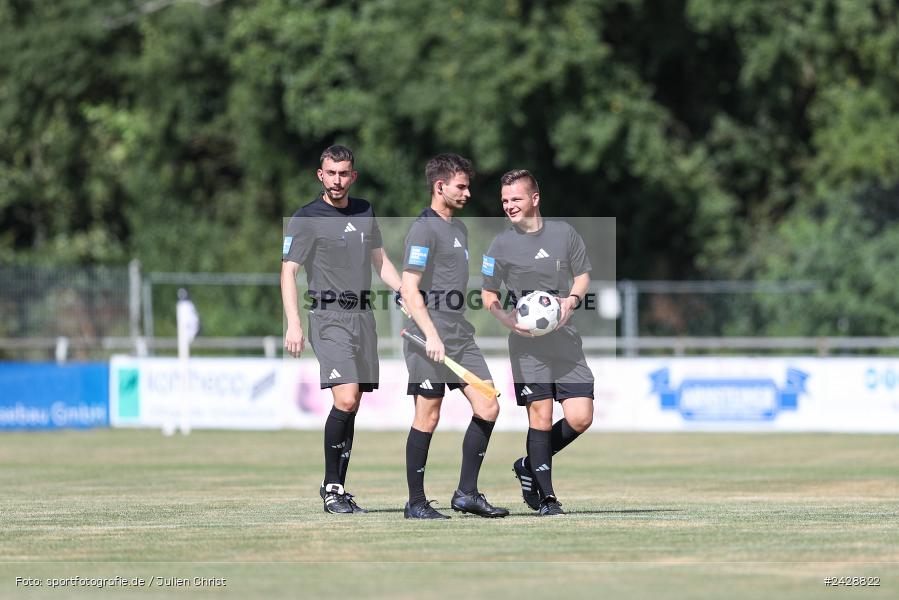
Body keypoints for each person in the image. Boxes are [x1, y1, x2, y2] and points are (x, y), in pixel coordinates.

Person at [281, 145, 402, 514]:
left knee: (352, 405)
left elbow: (380, 261)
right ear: (320, 175)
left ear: (353, 176)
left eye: (343, 173)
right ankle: (331, 489)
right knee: (346, 398)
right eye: (330, 173)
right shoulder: (306, 218)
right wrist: (294, 323)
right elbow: (288, 272)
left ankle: (338, 488)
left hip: (364, 319)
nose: (337, 180)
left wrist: (405, 292)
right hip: (328, 318)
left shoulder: (365, 211)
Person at [398, 153, 508, 519]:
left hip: (459, 336)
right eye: (461, 186)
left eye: (468, 186)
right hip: (426, 337)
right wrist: (429, 333)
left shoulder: (458, 229)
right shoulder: (423, 229)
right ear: (439, 186)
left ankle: (466, 494)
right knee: (428, 416)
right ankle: (415, 503)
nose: (468, 193)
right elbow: (409, 287)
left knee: (488, 405)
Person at [481, 169, 594, 516]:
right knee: (540, 417)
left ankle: (528, 465)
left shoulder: (564, 234)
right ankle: (547, 498)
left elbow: (583, 275)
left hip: (566, 342)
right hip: (529, 347)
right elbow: (488, 295)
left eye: (515, 199)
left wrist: (571, 301)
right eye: (504, 200)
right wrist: (507, 320)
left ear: (534, 198)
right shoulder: (500, 245)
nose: (509, 206)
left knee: (581, 416)